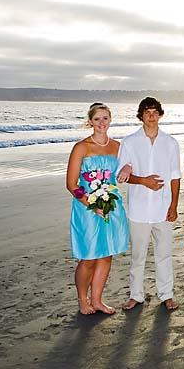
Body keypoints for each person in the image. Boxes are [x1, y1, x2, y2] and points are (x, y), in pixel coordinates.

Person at [117, 97, 182, 311]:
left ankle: (166, 294)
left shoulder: (170, 143)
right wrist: (142, 180)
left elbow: (174, 176)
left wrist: (173, 205)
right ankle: (136, 295)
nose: (151, 116)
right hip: (138, 208)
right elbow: (121, 175)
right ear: (141, 115)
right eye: (147, 112)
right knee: (138, 255)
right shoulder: (129, 142)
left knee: (164, 254)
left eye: (155, 112)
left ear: (160, 114)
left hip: (163, 208)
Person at [66, 102, 129, 315]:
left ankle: (98, 300)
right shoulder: (82, 147)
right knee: (89, 256)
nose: (101, 123)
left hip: (111, 206)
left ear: (111, 119)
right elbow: (72, 184)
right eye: (97, 119)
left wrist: (128, 166)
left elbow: (128, 167)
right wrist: (92, 205)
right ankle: (83, 300)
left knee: (106, 254)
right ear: (90, 121)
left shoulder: (118, 147)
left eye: (105, 118)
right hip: (87, 209)